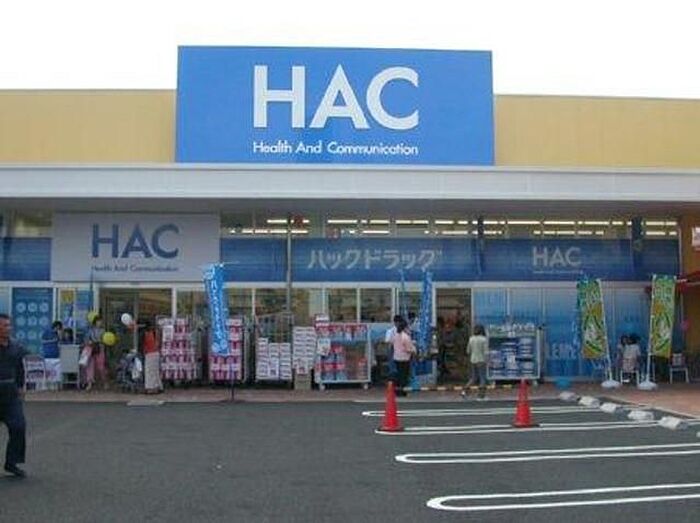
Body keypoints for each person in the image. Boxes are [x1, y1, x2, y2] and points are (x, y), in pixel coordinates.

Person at [0, 313, 28, 477]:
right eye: (5, 326)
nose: (8, 328)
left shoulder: (15, 347)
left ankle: (12, 462)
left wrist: (20, 386)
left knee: (18, 426)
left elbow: (20, 367)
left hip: (10, 394)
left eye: (9, 325)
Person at [462, 324, 488, 400]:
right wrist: (488, 360)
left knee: (473, 378)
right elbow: (486, 352)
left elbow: (468, 351)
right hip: (481, 360)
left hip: (473, 360)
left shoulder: (471, 339)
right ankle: (481, 396)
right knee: (482, 378)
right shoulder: (484, 339)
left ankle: (464, 391)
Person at [391, 317, 416, 397]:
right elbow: (409, 349)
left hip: (397, 357)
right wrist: (414, 350)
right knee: (404, 376)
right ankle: (403, 391)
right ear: (405, 327)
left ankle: (397, 391)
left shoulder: (395, 335)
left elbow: (392, 344)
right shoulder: (405, 337)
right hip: (404, 358)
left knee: (399, 374)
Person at [85, 315, 107, 391]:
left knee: (101, 367)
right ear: (95, 322)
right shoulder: (90, 330)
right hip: (91, 349)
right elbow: (86, 339)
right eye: (98, 321)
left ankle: (104, 381)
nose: (99, 323)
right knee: (90, 366)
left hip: (100, 349)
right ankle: (89, 383)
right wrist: (89, 342)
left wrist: (101, 342)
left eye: (100, 321)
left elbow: (105, 340)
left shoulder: (103, 331)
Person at [142, 321, 162, 394]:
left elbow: (144, 344)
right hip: (155, 353)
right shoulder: (155, 333)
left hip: (149, 353)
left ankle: (150, 388)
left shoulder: (146, 334)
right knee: (155, 371)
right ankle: (157, 387)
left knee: (149, 372)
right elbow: (158, 342)